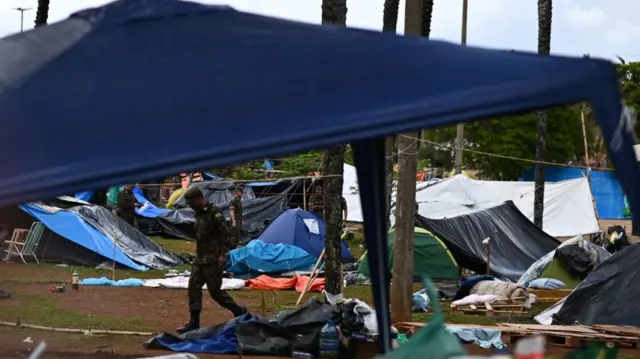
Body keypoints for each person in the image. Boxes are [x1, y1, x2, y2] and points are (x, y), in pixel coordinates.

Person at [178, 187, 247, 334]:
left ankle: (238, 310)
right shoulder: (198, 214)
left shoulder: (214, 213)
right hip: (200, 258)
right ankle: (194, 322)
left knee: (215, 291)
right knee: (193, 288)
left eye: (191, 203)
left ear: (199, 199)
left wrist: (222, 255)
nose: (190, 206)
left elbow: (225, 235)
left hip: (213, 258)